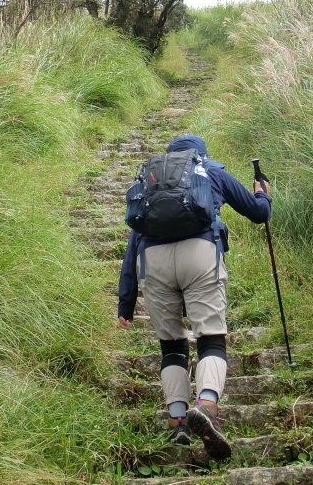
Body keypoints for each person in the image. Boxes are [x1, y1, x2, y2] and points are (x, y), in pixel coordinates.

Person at [117, 134, 272, 460]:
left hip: (153, 261)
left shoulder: (151, 182)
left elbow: (133, 242)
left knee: (171, 344)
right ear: (200, 155)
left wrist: (126, 303)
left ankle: (178, 422)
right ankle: (205, 407)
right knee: (210, 337)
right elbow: (258, 214)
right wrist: (263, 195)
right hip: (200, 254)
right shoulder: (211, 171)